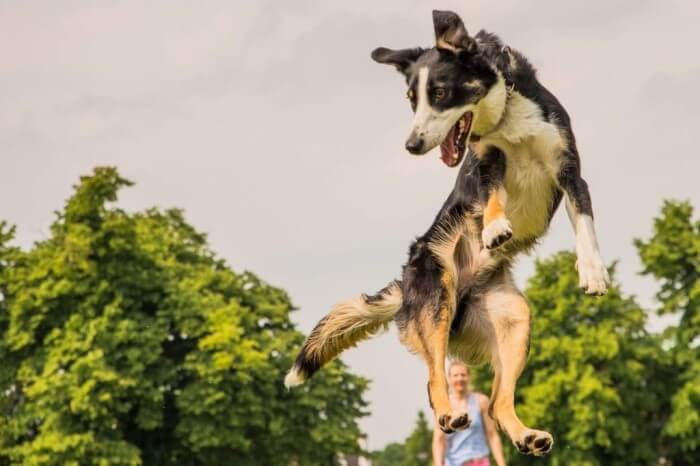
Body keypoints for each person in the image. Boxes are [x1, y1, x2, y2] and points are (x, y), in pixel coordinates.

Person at [432, 361, 506, 466]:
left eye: (463, 375)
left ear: (469, 377)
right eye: (455, 375)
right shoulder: (442, 407)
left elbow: (492, 435)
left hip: (479, 461)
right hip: (454, 463)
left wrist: (501, 463)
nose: (459, 379)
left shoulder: (481, 401)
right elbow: (438, 440)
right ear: (449, 379)